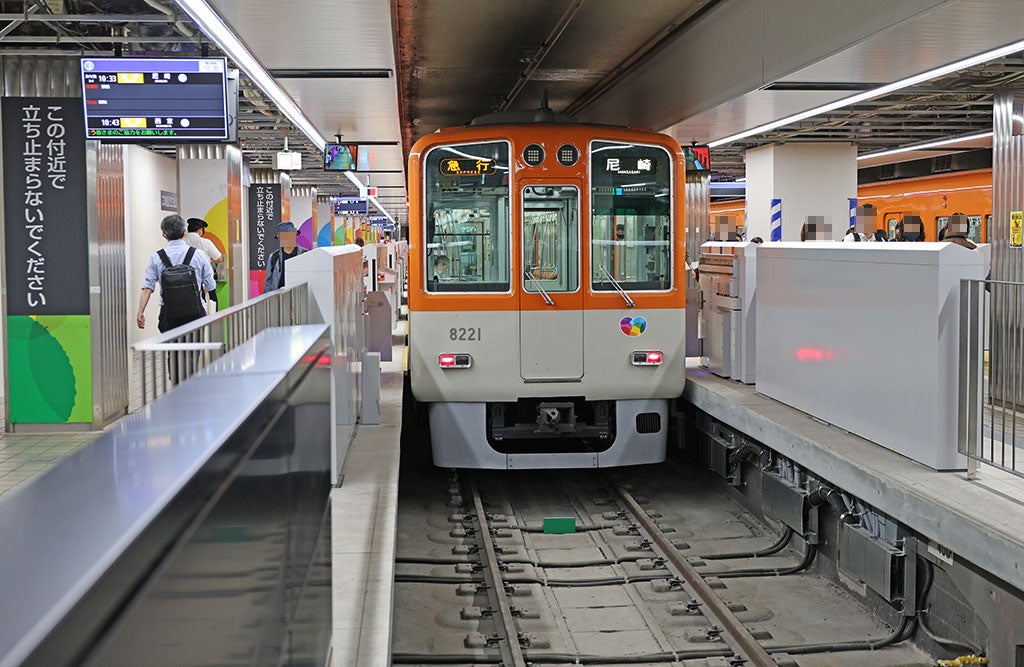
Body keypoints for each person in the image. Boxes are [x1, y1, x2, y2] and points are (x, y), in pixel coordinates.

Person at [137, 214, 215, 332]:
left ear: (164, 235)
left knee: (172, 348)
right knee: (194, 348)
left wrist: (141, 311)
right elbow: (211, 285)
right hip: (195, 313)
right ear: (185, 233)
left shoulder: (156, 257)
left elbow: (147, 288)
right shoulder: (199, 255)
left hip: (169, 315)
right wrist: (203, 287)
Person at [185, 217, 223, 312]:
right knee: (210, 310)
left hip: (185, 284)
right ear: (200, 230)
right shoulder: (205, 242)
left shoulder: (182, 242)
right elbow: (219, 259)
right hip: (204, 284)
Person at [264, 221, 308, 292]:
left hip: (300, 297)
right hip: (279, 299)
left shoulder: (305, 254)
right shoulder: (274, 257)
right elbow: (268, 283)